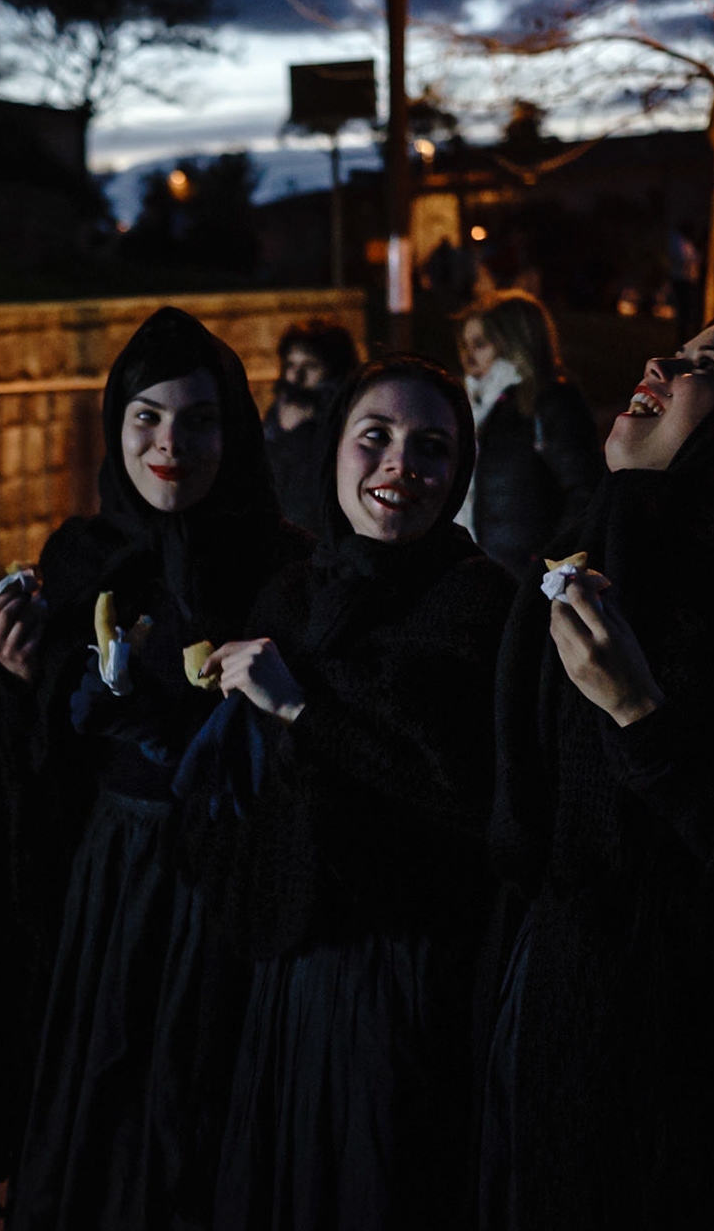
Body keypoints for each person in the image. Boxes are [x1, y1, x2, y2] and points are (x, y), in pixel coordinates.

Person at [482, 298, 714, 1229]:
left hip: (689, 1059)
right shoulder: (595, 545)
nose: (662, 363)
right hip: (560, 1014)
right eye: (679, 349)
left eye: (707, 367)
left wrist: (639, 714)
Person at [0, 306, 309, 1229]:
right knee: (105, 1114)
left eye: (197, 419)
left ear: (234, 428)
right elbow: (35, 764)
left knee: (204, 1125)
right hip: (110, 891)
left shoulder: (288, 566)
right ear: (116, 427)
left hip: (227, 896)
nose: (169, 445)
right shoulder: (81, 558)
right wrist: (19, 678)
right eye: (145, 417)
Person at [180, 355, 516, 1230]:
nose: (401, 467)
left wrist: (301, 706)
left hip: (403, 973)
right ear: (336, 452)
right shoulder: (294, 591)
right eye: (376, 438)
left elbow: (460, 794)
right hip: (289, 965)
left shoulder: (478, 604)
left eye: (431, 447)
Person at [455, 291, 605, 576]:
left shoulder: (550, 402)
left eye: (480, 345)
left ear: (514, 343)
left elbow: (585, 490)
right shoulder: (476, 405)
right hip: (486, 568)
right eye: (464, 345)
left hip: (525, 575)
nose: (467, 358)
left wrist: (548, 563)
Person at [265, 318, 360, 531]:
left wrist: (298, 432)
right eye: (291, 365)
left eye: (310, 366)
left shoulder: (346, 415)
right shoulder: (280, 409)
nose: (296, 376)